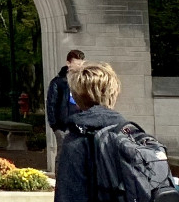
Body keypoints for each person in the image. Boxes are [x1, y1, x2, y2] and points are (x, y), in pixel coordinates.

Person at [54, 62, 127, 202]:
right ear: (114, 93)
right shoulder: (131, 134)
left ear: (76, 98)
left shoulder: (76, 142)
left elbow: (67, 196)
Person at [47, 50, 85, 136]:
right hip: (63, 127)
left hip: (80, 124)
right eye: (78, 64)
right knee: (63, 149)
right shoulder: (58, 82)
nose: (81, 67)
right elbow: (51, 104)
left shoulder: (83, 81)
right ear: (68, 63)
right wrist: (54, 125)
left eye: (82, 64)